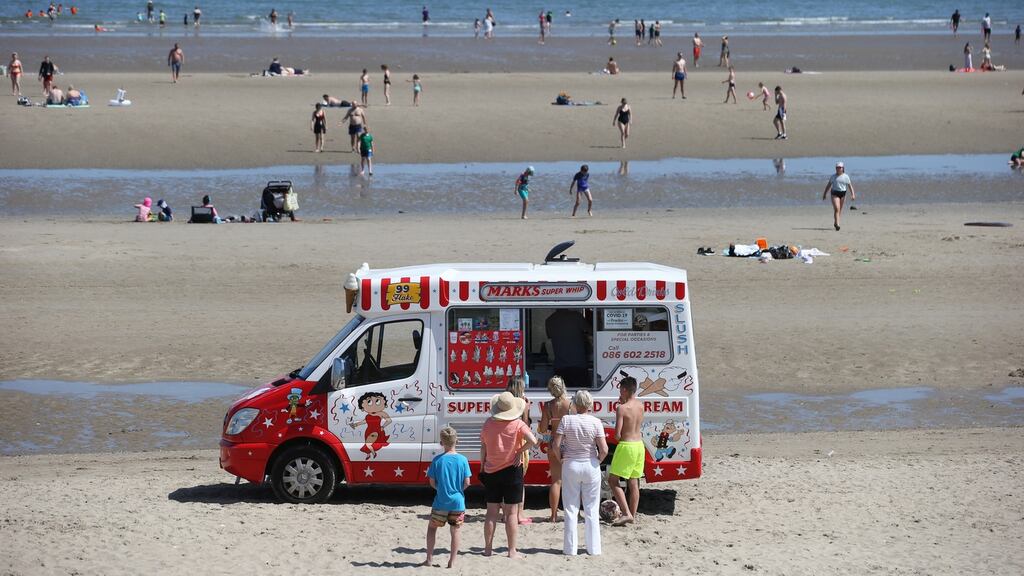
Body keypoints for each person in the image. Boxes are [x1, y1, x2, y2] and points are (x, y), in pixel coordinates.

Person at [479, 391, 538, 559]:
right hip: (513, 470)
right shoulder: (518, 424)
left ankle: (488, 549)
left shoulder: (488, 424)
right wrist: (519, 451)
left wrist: (482, 466)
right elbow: (533, 441)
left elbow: (483, 447)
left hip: (491, 470)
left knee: (491, 512)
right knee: (512, 513)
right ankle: (512, 550)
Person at [551, 390, 608, 555]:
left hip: (571, 464)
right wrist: (597, 460)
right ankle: (594, 548)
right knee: (591, 508)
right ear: (590, 404)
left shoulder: (566, 420)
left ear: (575, 404)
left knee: (570, 508)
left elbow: (556, 444)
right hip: (590, 465)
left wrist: (561, 457)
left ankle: (570, 549)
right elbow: (603, 449)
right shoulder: (596, 422)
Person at [422, 426, 470, 569]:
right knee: (455, 531)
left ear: (441, 443)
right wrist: (457, 490)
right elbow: (467, 482)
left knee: (432, 528)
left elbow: (432, 482)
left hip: (441, 501)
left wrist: (441, 489)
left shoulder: (437, 460)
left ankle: (429, 559)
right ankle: (452, 561)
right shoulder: (463, 460)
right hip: (458, 502)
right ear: (457, 441)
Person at [608, 376, 645, 526]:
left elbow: (617, 434)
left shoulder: (621, 408)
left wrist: (621, 405)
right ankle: (632, 515)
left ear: (624, 389)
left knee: (613, 480)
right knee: (633, 482)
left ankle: (626, 513)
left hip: (627, 446)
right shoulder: (641, 405)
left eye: (620, 389)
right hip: (639, 445)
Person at [539, 376, 571, 523]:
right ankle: (573, 514)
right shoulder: (571, 404)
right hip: (569, 442)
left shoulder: (548, 406)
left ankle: (553, 515)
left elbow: (543, 429)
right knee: (573, 481)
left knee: (556, 481)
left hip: (553, 442)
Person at [505, 376, 532, 525]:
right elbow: (525, 424)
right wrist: (526, 409)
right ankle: (519, 515)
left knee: (505, 479)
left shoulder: (504, 403)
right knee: (519, 480)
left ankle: (506, 514)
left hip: (505, 442)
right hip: (519, 443)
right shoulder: (522, 404)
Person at [545, 309, 590, 387]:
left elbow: (550, 338)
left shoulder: (550, 320)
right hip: (579, 365)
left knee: (561, 395)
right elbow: (591, 332)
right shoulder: (577, 316)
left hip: (560, 366)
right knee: (581, 394)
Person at [822, 161, 855, 231]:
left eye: (840, 167)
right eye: (837, 168)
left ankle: (835, 222)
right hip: (834, 193)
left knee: (839, 210)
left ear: (843, 168)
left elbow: (850, 186)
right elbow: (828, 185)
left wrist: (853, 194)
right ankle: (838, 225)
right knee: (837, 208)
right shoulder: (833, 177)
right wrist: (825, 194)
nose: (838, 169)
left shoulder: (846, 176)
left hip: (843, 194)